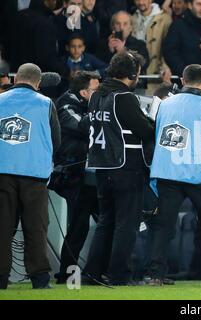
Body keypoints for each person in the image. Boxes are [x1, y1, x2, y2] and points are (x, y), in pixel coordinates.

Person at [147, 64, 201, 286]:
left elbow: (155, 134)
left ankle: (155, 274)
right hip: (196, 173)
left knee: (164, 226)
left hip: (166, 171)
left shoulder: (164, 104)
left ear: (183, 80)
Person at [82, 50, 154, 286]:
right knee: (127, 224)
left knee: (106, 221)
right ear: (133, 73)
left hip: (101, 167)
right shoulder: (124, 97)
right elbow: (145, 131)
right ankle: (119, 274)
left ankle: (92, 273)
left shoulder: (95, 96)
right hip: (125, 167)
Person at [0, 63, 61, 290]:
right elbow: (57, 140)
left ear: (16, 79)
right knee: (36, 228)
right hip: (34, 175)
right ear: (37, 83)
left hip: (2, 172)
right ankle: (40, 280)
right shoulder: (46, 103)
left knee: (2, 228)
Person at [51, 70, 100, 284]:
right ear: (83, 92)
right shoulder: (65, 106)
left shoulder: (84, 103)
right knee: (79, 226)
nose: (99, 95)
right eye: (95, 91)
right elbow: (82, 126)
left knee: (106, 223)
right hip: (73, 175)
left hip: (89, 174)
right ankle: (68, 275)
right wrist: (101, 112)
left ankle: (95, 272)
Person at [163, 0, 201, 76]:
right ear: (190, 5)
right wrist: (185, 72)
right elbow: (170, 52)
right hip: (183, 80)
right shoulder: (178, 25)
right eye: (199, 4)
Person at [131, 0, 173, 91]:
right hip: (136, 75)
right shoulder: (131, 19)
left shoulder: (165, 19)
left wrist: (165, 66)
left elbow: (169, 47)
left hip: (157, 74)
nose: (141, 2)